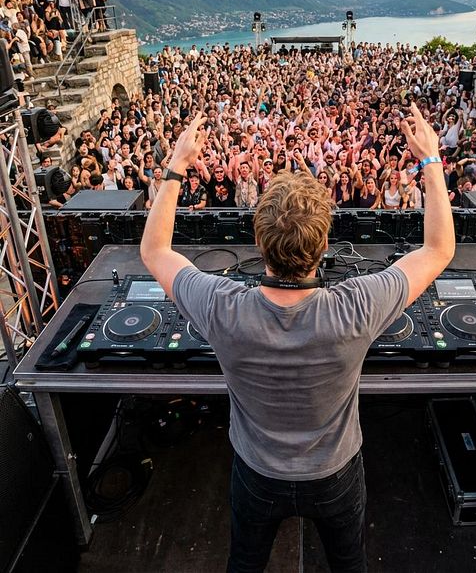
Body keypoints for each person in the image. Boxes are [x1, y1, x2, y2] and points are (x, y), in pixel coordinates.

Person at [140, 105, 455, 572]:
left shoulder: (222, 306)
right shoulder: (356, 306)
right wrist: (430, 161)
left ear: (258, 241)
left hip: (257, 473)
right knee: (350, 565)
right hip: (335, 474)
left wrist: (176, 167)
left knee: (244, 564)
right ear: (325, 245)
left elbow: (154, 250)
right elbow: (438, 249)